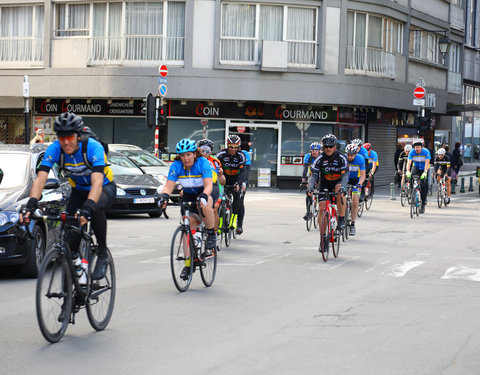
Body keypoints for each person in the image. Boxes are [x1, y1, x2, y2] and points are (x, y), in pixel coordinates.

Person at [21, 112, 116, 281]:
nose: (66, 142)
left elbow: (97, 183)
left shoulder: (93, 147)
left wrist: (88, 207)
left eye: (70, 137)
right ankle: (75, 271)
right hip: (78, 191)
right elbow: (41, 176)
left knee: (95, 207)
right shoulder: (55, 149)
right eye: (61, 137)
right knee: (70, 235)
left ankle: (102, 253)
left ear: (78, 136)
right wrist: (32, 202)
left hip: (103, 188)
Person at [159, 138, 216, 280]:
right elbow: (168, 185)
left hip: (204, 191)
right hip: (188, 196)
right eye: (183, 155)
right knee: (186, 229)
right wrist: (164, 196)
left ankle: (210, 233)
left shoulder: (202, 162)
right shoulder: (176, 165)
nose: (185, 158)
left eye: (188, 154)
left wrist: (204, 195)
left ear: (194, 154)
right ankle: (188, 263)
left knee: (206, 204)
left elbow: (208, 184)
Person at [308, 134, 348, 249]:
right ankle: (323, 237)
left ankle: (341, 219)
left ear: (335, 147)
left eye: (330, 147)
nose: (328, 149)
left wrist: (343, 188)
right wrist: (310, 187)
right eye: (326, 147)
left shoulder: (341, 157)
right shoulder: (320, 159)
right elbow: (313, 175)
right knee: (322, 208)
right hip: (324, 183)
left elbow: (345, 175)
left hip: (338, 182)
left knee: (339, 191)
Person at [216, 135, 247, 235]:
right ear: (227, 145)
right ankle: (220, 223)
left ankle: (234, 220)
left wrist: (240, 183)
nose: (233, 149)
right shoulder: (221, 154)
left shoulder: (241, 155)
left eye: (235, 147)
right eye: (231, 147)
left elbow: (243, 172)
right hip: (224, 180)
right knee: (219, 200)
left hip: (236, 180)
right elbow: (213, 166)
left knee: (238, 197)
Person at [198, 138, 226, 232]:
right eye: (202, 150)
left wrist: (221, 175)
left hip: (215, 186)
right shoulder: (195, 160)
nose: (205, 153)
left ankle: (214, 233)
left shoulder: (215, 161)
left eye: (207, 151)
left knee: (214, 209)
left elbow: (222, 182)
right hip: (200, 186)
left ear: (211, 152)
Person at [405, 138, 431, 214]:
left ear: (421, 147)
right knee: (411, 178)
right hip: (416, 167)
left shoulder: (426, 152)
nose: (417, 149)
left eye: (418, 147)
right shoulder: (412, 152)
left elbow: (427, 163)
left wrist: (425, 172)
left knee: (423, 185)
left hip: (424, 168)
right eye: (415, 147)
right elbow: (409, 163)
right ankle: (411, 192)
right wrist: (407, 171)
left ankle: (423, 203)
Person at [345, 143, 365, 236]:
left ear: (355, 154)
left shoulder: (360, 159)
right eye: (348, 155)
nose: (349, 157)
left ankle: (352, 224)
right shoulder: (344, 159)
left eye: (352, 155)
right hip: (345, 180)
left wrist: (359, 184)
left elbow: (362, 175)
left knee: (355, 201)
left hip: (355, 181)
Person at [302, 142, 322, 220]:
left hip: (321, 176)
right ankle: (308, 211)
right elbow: (305, 169)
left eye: (316, 150)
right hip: (312, 175)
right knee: (308, 192)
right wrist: (303, 179)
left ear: (319, 151)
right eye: (313, 150)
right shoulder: (308, 157)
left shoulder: (322, 157)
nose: (314, 152)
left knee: (321, 192)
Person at [238, 146, 251, 233]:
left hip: (241, 179)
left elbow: (247, 170)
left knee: (240, 201)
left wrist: (244, 182)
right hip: (228, 178)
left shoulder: (245, 154)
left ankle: (239, 225)